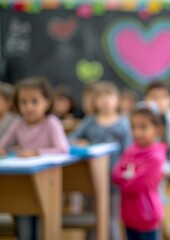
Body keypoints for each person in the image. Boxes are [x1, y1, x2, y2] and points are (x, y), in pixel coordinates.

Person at [0, 76, 69, 240]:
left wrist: (37, 152)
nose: (28, 107)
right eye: (23, 102)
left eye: (34, 101)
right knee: (24, 225)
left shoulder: (51, 122)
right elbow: (3, 145)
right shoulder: (18, 123)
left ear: (47, 102)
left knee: (41, 229)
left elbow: (62, 149)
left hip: (48, 184)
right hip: (24, 184)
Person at [68, 80, 132, 240]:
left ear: (117, 100)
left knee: (111, 220)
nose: (105, 100)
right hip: (91, 178)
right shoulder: (90, 121)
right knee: (92, 218)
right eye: (100, 96)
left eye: (109, 96)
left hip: (115, 180)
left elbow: (129, 151)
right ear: (94, 101)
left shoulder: (123, 122)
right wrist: (80, 142)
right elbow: (71, 139)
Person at [112, 104, 167, 240]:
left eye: (143, 127)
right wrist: (129, 177)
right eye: (133, 127)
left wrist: (125, 179)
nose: (136, 132)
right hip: (129, 214)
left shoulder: (155, 156)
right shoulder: (131, 150)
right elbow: (115, 174)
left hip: (147, 215)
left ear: (157, 130)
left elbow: (139, 185)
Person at [143, 81, 170, 240]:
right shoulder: (142, 117)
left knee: (155, 202)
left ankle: (158, 233)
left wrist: (166, 168)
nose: (158, 101)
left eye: (162, 97)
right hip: (141, 170)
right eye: (154, 97)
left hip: (159, 171)